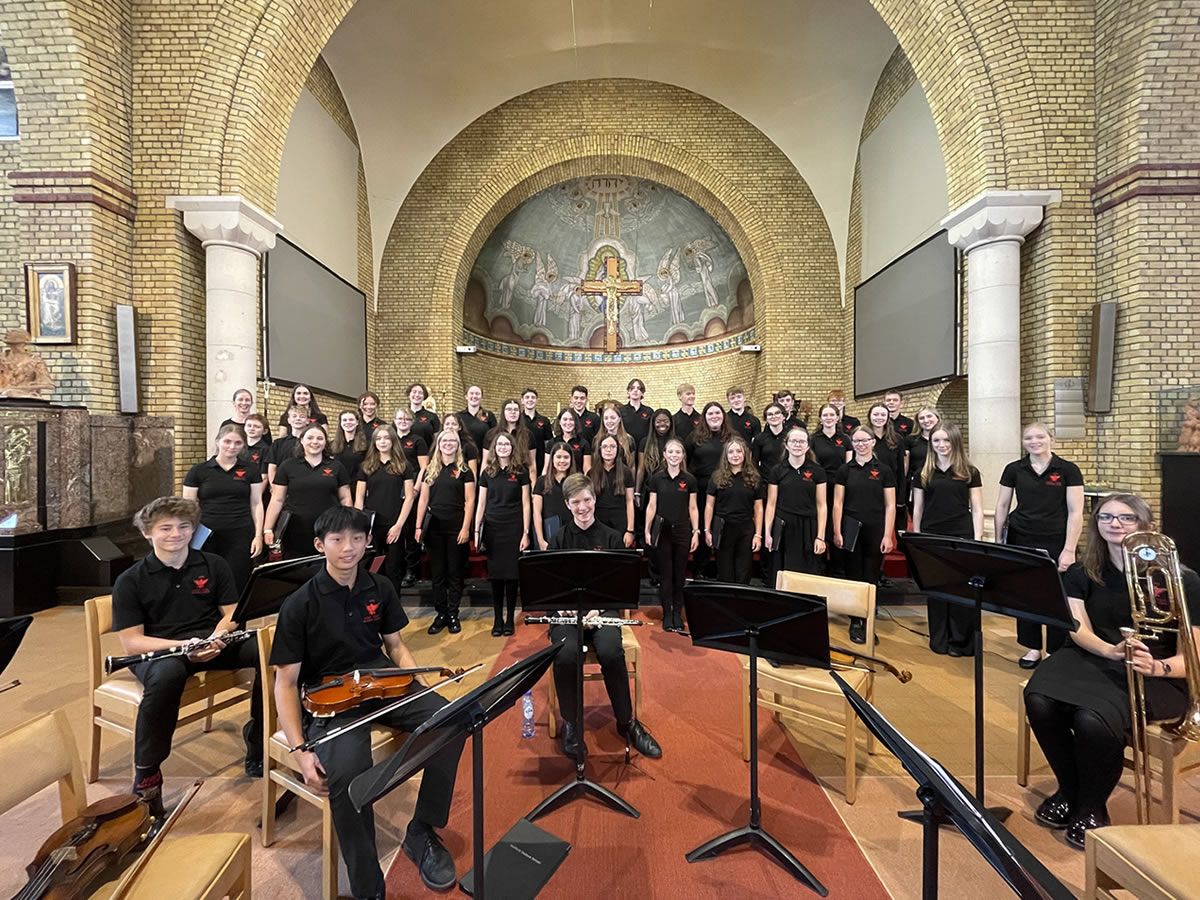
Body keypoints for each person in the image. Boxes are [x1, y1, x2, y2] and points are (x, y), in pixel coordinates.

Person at [271, 506, 464, 895]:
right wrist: (298, 749)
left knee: (454, 718)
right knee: (347, 774)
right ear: (319, 544)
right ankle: (368, 886)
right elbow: (286, 683)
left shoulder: (380, 587)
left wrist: (422, 687)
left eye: (357, 539)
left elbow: (396, 647)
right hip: (330, 697)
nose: (349, 548)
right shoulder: (300, 603)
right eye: (338, 539)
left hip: (383, 681)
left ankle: (422, 828)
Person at [1023, 493, 1200, 848]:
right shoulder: (1083, 572)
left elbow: (1194, 654)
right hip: (1093, 654)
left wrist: (1158, 666)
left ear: (1145, 524)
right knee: (1039, 699)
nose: (1114, 524)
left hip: (1157, 672)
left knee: (1091, 718)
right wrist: (1109, 650)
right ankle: (1069, 789)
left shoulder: (1182, 580)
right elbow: (1077, 626)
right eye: (1105, 518)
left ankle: (1092, 806)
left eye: (1126, 518)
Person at [113, 497, 262, 816]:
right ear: (147, 533)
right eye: (165, 528)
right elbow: (132, 642)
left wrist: (217, 638)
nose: (176, 534)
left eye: (184, 526)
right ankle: (147, 775)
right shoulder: (131, 580)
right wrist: (183, 647)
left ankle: (259, 741)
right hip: (161, 650)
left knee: (266, 649)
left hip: (210, 641)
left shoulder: (213, 564)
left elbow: (232, 614)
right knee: (166, 675)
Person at [548, 473, 662, 760]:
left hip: (602, 609)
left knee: (612, 651)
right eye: (576, 502)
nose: (583, 507)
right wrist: (566, 608)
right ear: (567, 504)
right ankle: (572, 725)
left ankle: (627, 723)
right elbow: (550, 584)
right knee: (565, 655)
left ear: (594, 499)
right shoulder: (559, 538)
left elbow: (618, 587)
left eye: (587, 500)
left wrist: (597, 609)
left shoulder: (611, 537)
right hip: (567, 613)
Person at [995, 423, 1085, 669]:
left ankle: (1057, 649)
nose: (1034, 441)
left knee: (1057, 595)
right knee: (1026, 594)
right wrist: (999, 541)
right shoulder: (1014, 469)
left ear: (1051, 439)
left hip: (1057, 538)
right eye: (1028, 438)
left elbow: (1076, 512)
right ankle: (1033, 647)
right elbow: (1002, 506)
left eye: (1040, 437)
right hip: (1021, 536)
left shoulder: (1068, 470)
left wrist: (1069, 549)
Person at [911, 424, 983, 656]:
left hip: (961, 534)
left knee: (962, 588)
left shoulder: (970, 472)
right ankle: (940, 639)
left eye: (946, 441)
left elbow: (978, 508)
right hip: (932, 535)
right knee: (938, 588)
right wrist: (918, 537)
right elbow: (918, 508)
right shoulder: (923, 472)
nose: (941, 445)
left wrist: (978, 539)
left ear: (955, 442)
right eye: (936, 441)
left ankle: (961, 641)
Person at [182, 423, 264, 592]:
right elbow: (188, 507)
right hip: (206, 533)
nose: (232, 447)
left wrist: (258, 535)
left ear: (243, 445)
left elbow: (256, 503)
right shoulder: (198, 471)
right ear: (218, 441)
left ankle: (235, 617)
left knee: (238, 580)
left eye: (238, 443)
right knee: (206, 581)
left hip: (240, 532)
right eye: (227, 441)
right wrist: (186, 535)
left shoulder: (251, 469)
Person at [834, 426, 896, 644]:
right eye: (857, 441)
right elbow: (838, 502)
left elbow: (890, 506)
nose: (860, 445)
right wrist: (837, 530)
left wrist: (888, 535)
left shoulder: (884, 470)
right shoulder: (845, 470)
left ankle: (868, 619)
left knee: (870, 576)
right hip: (851, 526)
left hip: (875, 527)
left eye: (864, 440)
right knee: (853, 573)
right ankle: (855, 622)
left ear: (872, 442)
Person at [414, 430, 476, 635]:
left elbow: (470, 501)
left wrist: (466, 527)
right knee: (438, 573)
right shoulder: (429, 470)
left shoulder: (465, 470)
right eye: (444, 441)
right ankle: (440, 613)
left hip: (456, 526)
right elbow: (423, 500)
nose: (448, 444)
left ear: (458, 445)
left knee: (454, 573)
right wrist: (418, 526)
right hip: (434, 528)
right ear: (438, 444)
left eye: (452, 441)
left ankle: (452, 613)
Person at [264, 424, 353, 559]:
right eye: (310, 438)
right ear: (301, 440)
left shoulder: (336, 466)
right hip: (295, 530)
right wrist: (268, 529)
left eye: (320, 438)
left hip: (330, 528)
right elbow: (277, 499)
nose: (315, 442)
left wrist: (348, 525)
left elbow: (345, 498)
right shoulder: (287, 466)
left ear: (325, 442)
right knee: (297, 572)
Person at [475, 432, 530, 636]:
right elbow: (481, 503)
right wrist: (476, 530)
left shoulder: (520, 471)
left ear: (512, 447)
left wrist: (525, 532)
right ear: (494, 448)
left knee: (511, 576)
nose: (503, 447)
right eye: (499, 444)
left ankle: (509, 618)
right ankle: (497, 618)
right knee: (496, 576)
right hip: (493, 527)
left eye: (507, 444)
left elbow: (526, 503)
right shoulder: (487, 472)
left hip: (514, 527)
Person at [644, 438, 698, 632]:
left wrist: (696, 532)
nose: (674, 455)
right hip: (663, 531)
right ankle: (667, 612)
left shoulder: (689, 480)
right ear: (664, 455)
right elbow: (652, 506)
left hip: (683, 530)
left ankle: (678, 612)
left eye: (678, 452)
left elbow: (693, 508)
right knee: (666, 574)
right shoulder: (657, 478)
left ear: (683, 456)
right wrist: (647, 529)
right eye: (671, 452)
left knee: (679, 574)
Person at [355, 424, 416, 590]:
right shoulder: (366, 466)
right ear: (374, 442)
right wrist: (360, 526)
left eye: (386, 438)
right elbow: (359, 498)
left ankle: (393, 607)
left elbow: (409, 497)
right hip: (372, 526)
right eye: (379, 438)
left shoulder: (403, 466)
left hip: (394, 524)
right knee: (373, 568)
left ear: (393, 441)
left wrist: (398, 525)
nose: (382, 442)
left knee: (393, 568)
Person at [764, 427, 828, 580]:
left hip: (808, 527)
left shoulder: (818, 471)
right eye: (793, 441)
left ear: (807, 446)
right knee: (782, 572)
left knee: (807, 574)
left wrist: (820, 536)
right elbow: (771, 504)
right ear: (786, 445)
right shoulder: (777, 471)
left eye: (801, 441)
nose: (797, 445)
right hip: (783, 526)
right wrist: (767, 532)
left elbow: (822, 505)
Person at [705, 436, 763, 584]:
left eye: (739, 451)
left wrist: (758, 535)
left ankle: (741, 606)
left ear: (745, 454)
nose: (735, 455)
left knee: (743, 571)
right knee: (725, 572)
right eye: (731, 452)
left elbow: (758, 508)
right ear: (726, 455)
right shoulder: (716, 477)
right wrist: (707, 530)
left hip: (745, 529)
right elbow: (709, 505)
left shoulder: (754, 477)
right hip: (723, 528)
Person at [687, 402, 733, 578]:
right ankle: (701, 568)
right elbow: (688, 460)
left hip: (726, 488)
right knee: (701, 526)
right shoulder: (695, 437)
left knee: (723, 526)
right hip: (701, 488)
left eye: (717, 413)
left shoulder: (731, 437)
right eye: (710, 413)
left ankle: (723, 569)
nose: (714, 416)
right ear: (704, 417)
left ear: (723, 416)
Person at [393, 408, 431, 587]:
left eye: (406, 419)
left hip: (412, 489)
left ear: (411, 422)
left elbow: (424, 467)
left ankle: (411, 570)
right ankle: (396, 568)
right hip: (394, 489)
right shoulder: (390, 439)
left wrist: (416, 488)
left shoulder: (417, 440)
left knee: (410, 530)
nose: (403, 421)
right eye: (400, 418)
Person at [590, 434, 635, 547]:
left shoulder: (626, 472)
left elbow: (629, 501)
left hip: (620, 521)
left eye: (612, 446)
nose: (608, 450)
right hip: (598, 521)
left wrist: (630, 531)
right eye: (605, 446)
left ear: (617, 449)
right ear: (599, 449)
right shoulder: (591, 472)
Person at [533, 442, 576, 550]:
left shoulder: (576, 481)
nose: (562, 460)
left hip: (572, 533)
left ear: (571, 459)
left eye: (566, 457)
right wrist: (540, 540)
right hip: (549, 533)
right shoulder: (541, 481)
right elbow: (537, 512)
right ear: (552, 459)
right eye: (558, 457)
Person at [483, 399, 534, 473]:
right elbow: (485, 462)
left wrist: (532, 483)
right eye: (509, 409)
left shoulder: (528, 434)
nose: (513, 412)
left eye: (516, 410)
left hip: (521, 477)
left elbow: (532, 465)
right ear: (503, 412)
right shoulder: (491, 434)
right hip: (496, 476)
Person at [266, 404, 311, 487]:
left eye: (302, 416)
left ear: (308, 420)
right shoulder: (278, 444)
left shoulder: (312, 444)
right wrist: (274, 488)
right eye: (294, 416)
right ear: (289, 420)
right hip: (281, 486)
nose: (298, 418)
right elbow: (272, 468)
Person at [906, 407, 942, 508]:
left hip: (940, 483)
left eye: (929, 416)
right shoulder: (910, 439)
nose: (926, 420)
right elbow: (906, 465)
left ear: (937, 418)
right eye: (921, 418)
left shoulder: (947, 437)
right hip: (918, 484)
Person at [520, 387, 555, 475]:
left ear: (537, 400)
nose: (530, 400)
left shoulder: (544, 420)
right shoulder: (517, 419)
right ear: (522, 401)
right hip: (520, 461)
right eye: (527, 397)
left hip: (540, 460)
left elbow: (548, 443)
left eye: (533, 397)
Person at [752, 402, 789, 479]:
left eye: (777, 413)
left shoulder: (790, 436)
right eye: (770, 414)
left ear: (783, 416)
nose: (774, 416)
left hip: (787, 480)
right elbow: (754, 463)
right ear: (766, 418)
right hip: (766, 481)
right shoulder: (759, 439)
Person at [619, 378, 653, 463]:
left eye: (639, 388)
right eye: (632, 388)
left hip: (644, 450)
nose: (635, 390)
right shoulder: (621, 410)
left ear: (642, 392)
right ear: (628, 391)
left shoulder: (649, 411)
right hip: (626, 449)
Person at [549, 407, 590, 474]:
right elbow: (547, 467)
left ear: (575, 422)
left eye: (571, 419)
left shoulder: (584, 443)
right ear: (559, 422)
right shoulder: (552, 443)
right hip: (556, 481)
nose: (568, 422)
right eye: (565, 419)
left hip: (576, 482)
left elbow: (586, 469)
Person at [593, 402, 636, 468]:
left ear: (619, 419)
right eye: (606, 418)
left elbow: (632, 466)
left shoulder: (629, 439)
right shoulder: (597, 439)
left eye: (613, 418)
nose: (609, 421)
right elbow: (594, 463)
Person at [330, 409, 368, 480]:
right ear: (340, 423)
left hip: (358, 486)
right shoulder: (331, 445)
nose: (348, 422)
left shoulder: (366, 445)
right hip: (336, 485)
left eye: (351, 419)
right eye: (344, 420)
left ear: (357, 422)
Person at [457, 384, 495, 450]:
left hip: (484, 455)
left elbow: (494, 436)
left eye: (477, 394)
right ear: (466, 396)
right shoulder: (459, 416)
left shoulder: (489, 415)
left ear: (482, 397)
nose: (474, 396)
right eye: (471, 393)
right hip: (464, 455)